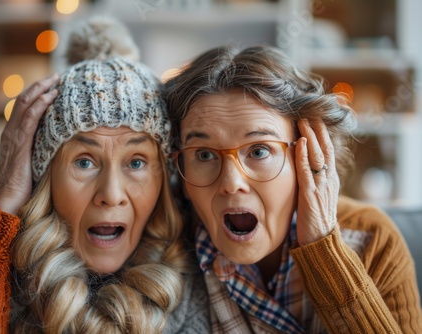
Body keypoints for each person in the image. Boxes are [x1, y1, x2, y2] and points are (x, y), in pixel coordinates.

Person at [0, 18, 210, 333]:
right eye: (85, 162)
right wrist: (6, 199)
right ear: (46, 180)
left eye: (137, 162)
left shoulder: (199, 286)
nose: (111, 194)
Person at [164, 44, 422, 333]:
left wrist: (324, 251)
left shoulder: (372, 241)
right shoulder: (163, 253)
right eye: (204, 155)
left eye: (259, 151)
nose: (231, 183)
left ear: (309, 157)